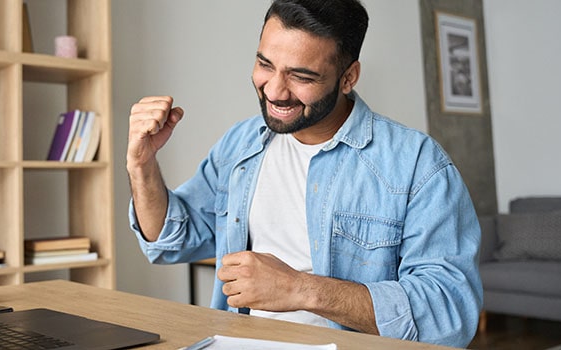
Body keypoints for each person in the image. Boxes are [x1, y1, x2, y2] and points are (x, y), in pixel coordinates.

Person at [126, 0, 482, 347]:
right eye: (265, 65)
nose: (275, 91)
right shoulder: (241, 143)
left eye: (301, 76)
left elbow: (449, 314)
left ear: (348, 78)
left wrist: (299, 289)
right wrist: (142, 165)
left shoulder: (417, 163)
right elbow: (173, 240)